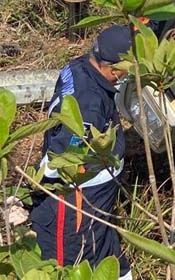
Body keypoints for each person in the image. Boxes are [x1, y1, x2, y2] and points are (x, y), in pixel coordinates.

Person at [31, 26, 132, 279]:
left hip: (98, 193)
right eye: (126, 70)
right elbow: (68, 152)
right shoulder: (89, 109)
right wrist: (41, 181)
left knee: (104, 244)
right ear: (113, 69)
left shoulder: (77, 66)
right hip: (79, 193)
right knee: (74, 257)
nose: (126, 76)